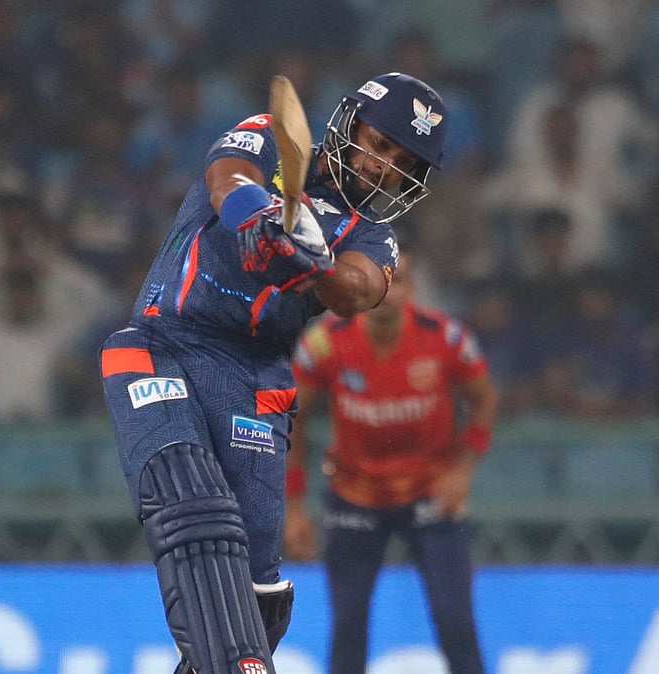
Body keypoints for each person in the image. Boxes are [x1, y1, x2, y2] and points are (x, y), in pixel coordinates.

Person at [99, 72, 450, 673]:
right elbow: (227, 178)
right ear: (349, 122)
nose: (382, 166)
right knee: (195, 510)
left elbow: (358, 288)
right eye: (380, 142)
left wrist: (311, 265)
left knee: (257, 603)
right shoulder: (271, 142)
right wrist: (259, 221)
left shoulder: (375, 236)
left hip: (258, 381)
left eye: (401, 160)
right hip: (165, 344)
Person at [284, 252, 497, 674]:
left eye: (397, 281)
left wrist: (462, 471)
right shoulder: (324, 342)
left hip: (431, 495)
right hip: (354, 496)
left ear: (412, 289)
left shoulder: (445, 337)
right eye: (379, 282)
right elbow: (293, 420)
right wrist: (293, 508)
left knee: (455, 623)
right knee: (348, 627)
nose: (387, 292)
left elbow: (485, 400)